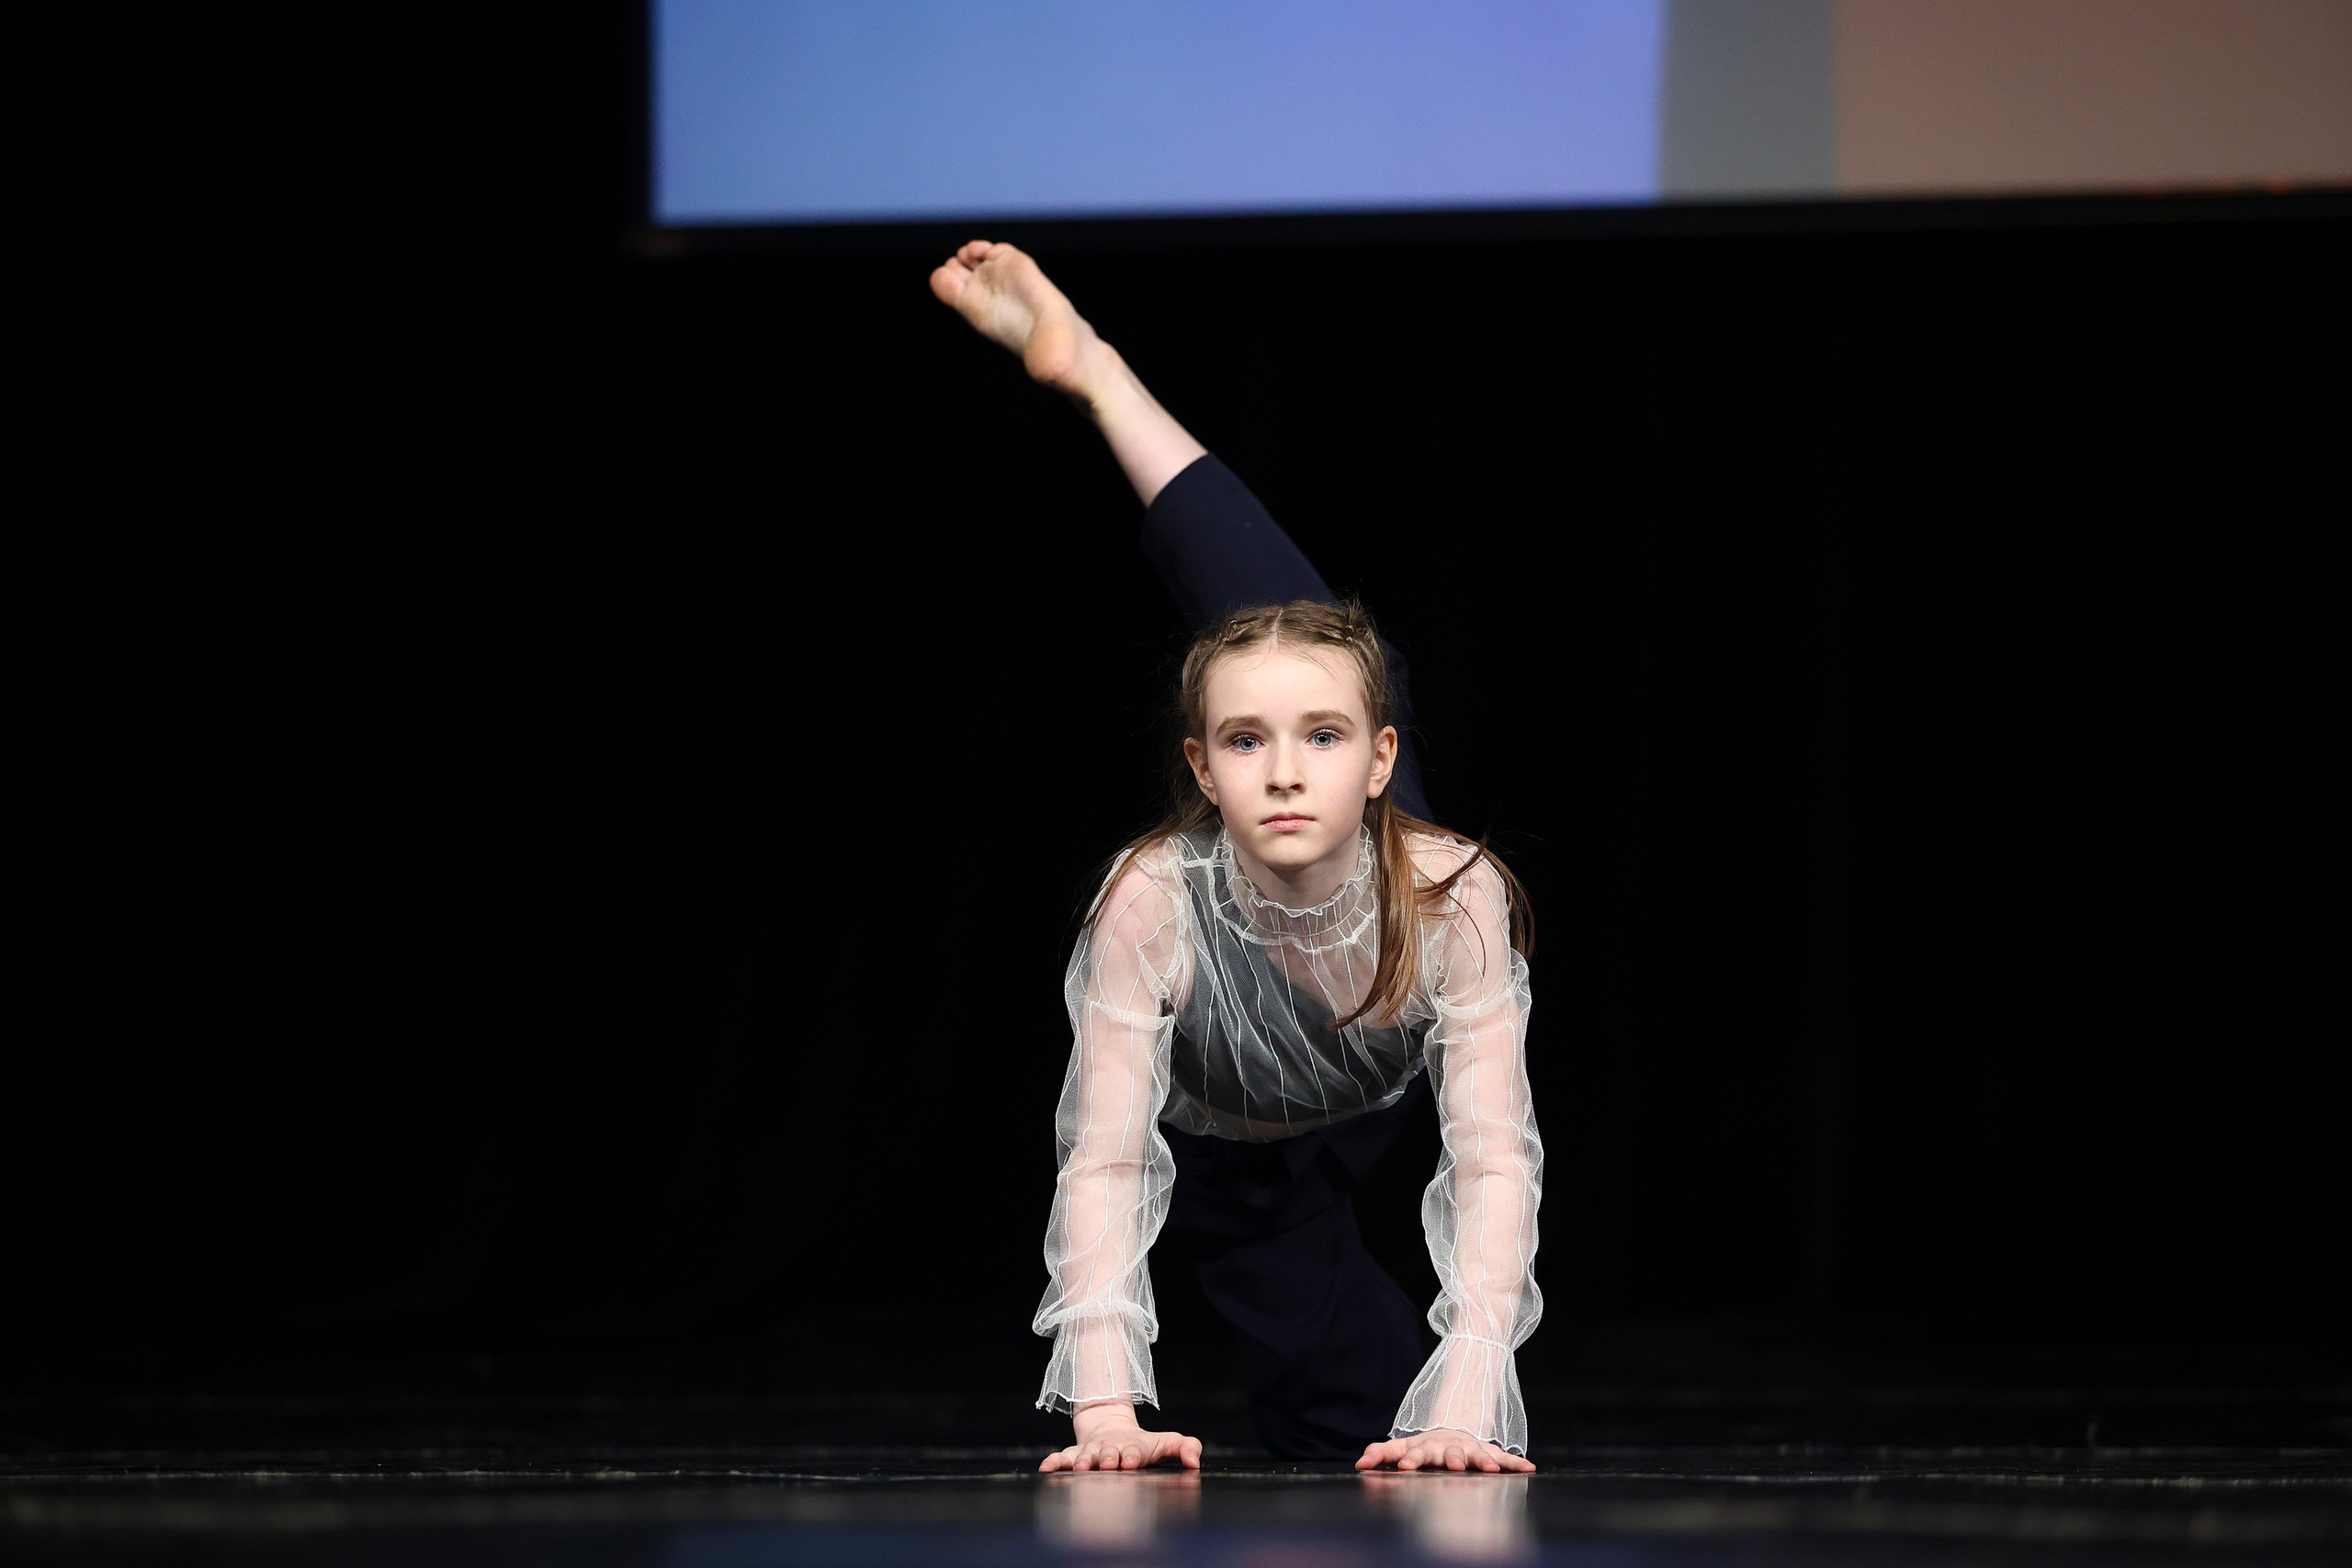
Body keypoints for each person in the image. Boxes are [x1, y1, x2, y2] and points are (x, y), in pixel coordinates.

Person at [933, 243, 1542, 1477]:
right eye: (1244, 748)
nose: (1281, 771)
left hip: (1381, 1009)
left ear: (1379, 760)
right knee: (1362, 1434)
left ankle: (1099, 374)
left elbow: (1493, 1159)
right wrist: (1106, 1411)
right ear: (1201, 772)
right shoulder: (1151, 902)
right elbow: (1103, 1155)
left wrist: (1474, 1400)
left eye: (1324, 744)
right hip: (1237, 1156)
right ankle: (1095, 376)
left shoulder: (1456, 892)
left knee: (1285, 632)